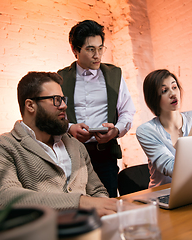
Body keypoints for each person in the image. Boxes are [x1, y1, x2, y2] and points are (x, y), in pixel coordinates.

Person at [0, 71, 117, 217]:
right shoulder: (0, 147)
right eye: (56, 100)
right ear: (30, 105)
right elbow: (1, 198)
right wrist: (80, 202)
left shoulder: (76, 146)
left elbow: (97, 191)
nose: (64, 106)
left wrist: (106, 212)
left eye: (63, 99)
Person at [58, 20, 135, 197]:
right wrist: (70, 128)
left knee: (108, 204)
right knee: (76, 205)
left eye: (101, 48)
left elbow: (127, 110)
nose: (97, 55)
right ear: (75, 50)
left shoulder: (114, 74)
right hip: (71, 156)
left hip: (105, 155)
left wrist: (115, 131)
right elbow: (55, 115)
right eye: (91, 49)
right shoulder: (60, 78)